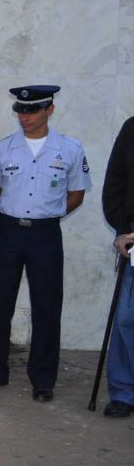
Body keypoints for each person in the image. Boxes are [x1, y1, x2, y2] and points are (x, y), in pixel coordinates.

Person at [0, 85, 91, 403]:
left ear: (49, 110)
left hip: (46, 235)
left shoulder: (69, 149)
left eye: (32, 111)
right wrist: (16, 214)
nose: (25, 117)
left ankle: (43, 379)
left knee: (47, 307)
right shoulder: (3, 149)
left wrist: (48, 213)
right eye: (21, 111)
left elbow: (76, 193)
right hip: (8, 233)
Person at [102, 116, 134, 418]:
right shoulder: (132, 128)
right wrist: (122, 229)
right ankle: (125, 391)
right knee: (127, 316)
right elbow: (116, 181)